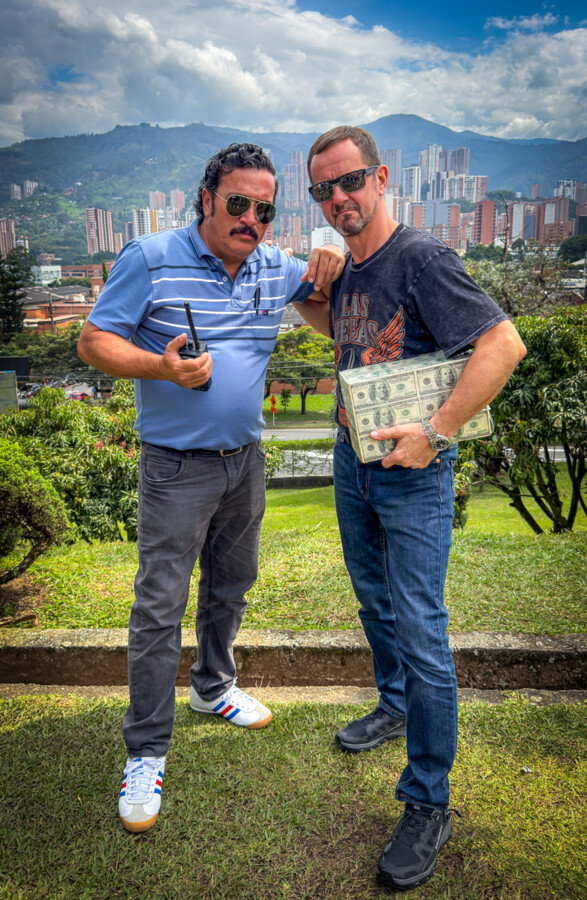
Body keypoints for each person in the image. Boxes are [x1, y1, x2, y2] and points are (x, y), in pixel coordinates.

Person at [77, 142, 344, 834]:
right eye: (238, 203)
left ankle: (213, 687)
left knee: (231, 585)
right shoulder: (150, 257)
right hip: (174, 467)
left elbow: (323, 298)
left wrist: (330, 259)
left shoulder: (272, 267)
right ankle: (145, 750)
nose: (251, 218)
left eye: (264, 209)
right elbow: (94, 341)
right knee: (159, 606)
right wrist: (161, 368)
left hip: (244, 462)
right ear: (206, 199)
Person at [297, 125, 526, 891]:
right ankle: (394, 705)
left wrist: (436, 433)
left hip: (412, 472)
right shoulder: (350, 267)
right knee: (373, 602)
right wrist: (315, 289)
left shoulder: (422, 258)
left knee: (421, 630)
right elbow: (341, 332)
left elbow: (502, 346)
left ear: (381, 177)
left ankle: (427, 798)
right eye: (323, 188)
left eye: (349, 181)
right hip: (351, 461)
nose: (338, 197)